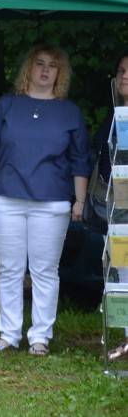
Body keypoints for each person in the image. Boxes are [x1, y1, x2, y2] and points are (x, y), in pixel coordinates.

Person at [0, 44, 90, 357]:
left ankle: (40, 337)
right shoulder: (7, 105)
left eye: (52, 65)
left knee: (44, 271)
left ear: (60, 72)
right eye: (39, 63)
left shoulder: (70, 112)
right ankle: (8, 334)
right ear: (29, 68)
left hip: (52, 204)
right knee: (9, 269)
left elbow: (81, 159)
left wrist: (79, 199)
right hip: (5, 200)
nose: (45, 70)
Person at [93, 52, 128, 361]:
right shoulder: (113, 119)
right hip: (119, 213)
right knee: (123, 275)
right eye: (121, 70)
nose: (125, 76)